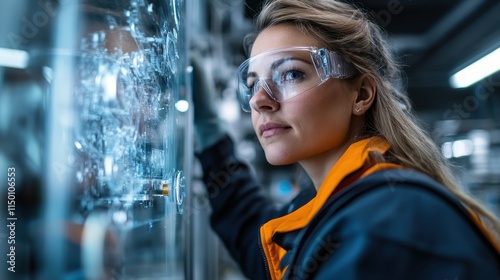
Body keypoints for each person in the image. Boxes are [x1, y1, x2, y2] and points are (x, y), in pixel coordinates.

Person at [192, 0, 500, 279]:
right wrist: (209, 130)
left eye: (290, 74)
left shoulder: (383, 224)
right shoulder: (338, 208)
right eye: (253, 83)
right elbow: (260, 246)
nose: (261, 100)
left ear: (362, 94)